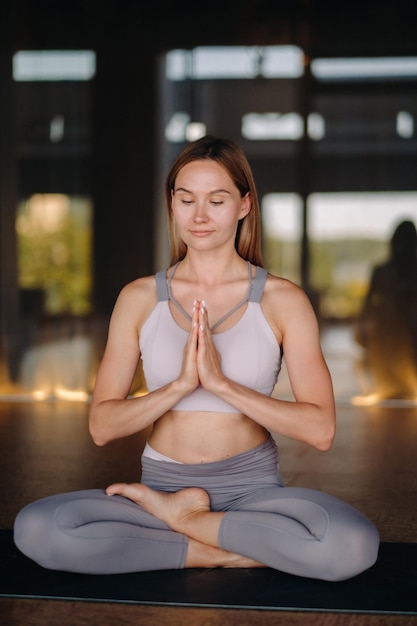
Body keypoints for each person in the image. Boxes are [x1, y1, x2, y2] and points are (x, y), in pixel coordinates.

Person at [14, 136, 379, 581]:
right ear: (172, 203)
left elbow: (320, 430)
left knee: (353, 543)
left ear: (244, 205)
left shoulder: (283, 300)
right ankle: (219, 548)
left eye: (217, 200)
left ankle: (187, 525)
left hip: (253, 492)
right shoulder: (139, 298)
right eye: (186, 200)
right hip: (161, 488)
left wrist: (223, 385)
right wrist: (180, 386)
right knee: (37, 529)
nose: (199, 216)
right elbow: (102, 426)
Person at [355, 220, 417, 400]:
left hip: (402, 336)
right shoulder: (382, 272)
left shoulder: (384, 272)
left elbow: (368, 305)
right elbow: (368, 304)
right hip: (388, 339)